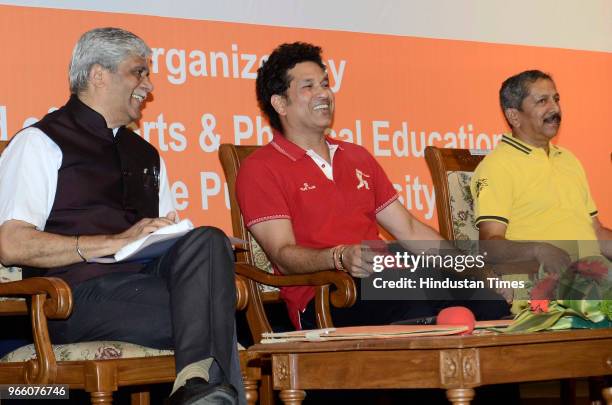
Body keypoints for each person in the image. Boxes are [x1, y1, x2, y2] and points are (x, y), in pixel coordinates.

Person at [0, 28, 243, 405]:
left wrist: (189, 242)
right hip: (74, 297)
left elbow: (165, 239)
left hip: (143, 286)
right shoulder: (39, 142)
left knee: (208, 239)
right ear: (99, 75)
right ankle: (201, 389)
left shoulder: (146, 154)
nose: (148, 85)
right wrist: (116, 242)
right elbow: (11, 244)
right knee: (212, 308)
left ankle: (195, 387)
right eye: (138, 72)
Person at [236, 42, 509, 331]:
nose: (324, 93)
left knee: (488, 301)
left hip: (386, 280)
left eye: (325, 84)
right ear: (280, 104)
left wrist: (475, 273)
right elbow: (283, 253)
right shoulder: (261, 168)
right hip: (329, 295)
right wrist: (340, 256)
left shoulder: (356, 156)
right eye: (308, 86)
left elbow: (410, 229)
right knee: (410, 293)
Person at [471, 70, 611, 278]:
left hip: (594, 274)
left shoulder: (568, 159)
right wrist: (537, 250)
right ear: (514, 116)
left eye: (556, 99)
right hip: (545, 282)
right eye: (542, 101)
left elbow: (597, 233)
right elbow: (488, 246)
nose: (555, 108)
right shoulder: (497, 166)